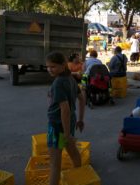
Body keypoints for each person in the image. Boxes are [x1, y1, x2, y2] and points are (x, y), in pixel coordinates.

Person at [46, 51, 85, 185]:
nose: (50, 69)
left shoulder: (58, 83)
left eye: (53, 66)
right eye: (48, 66)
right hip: (69, 123)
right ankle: (80, 178)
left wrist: (66, 134)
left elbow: (65, 109)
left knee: (55, 164)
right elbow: (81, 98)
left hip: (58, 126)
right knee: (73, 153)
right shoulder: (71, 79)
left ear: (63, 65)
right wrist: (80, 119)